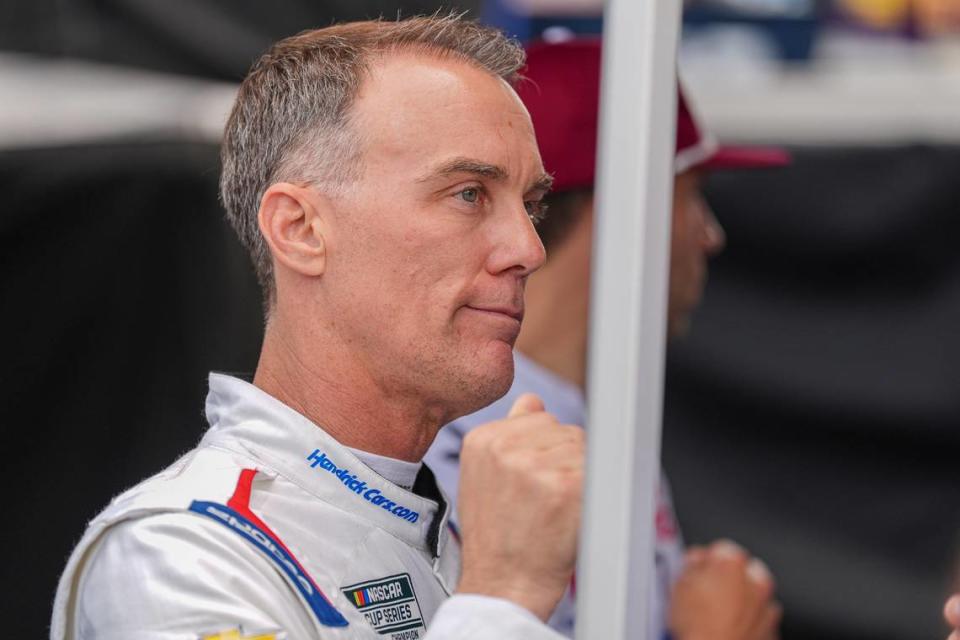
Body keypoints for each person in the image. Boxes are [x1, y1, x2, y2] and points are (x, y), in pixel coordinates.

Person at [51, 16, 585, 640]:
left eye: (532, 205)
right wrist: (504, 597)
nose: (528, 248)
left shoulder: (449, 525)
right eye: (469, 194)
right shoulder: (179, 549)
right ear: (300, 230)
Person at [424, 38, 790, 640]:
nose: (710, 235)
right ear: (629, 208)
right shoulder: (453, 445)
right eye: (693, 195)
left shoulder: (596, 414)